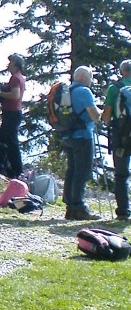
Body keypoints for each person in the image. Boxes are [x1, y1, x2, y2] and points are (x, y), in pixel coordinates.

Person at [62, 66, 102, 221]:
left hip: (68, 135)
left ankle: (70, 207)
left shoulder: (67, 91)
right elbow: (94, 115)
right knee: (83, 171)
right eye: (91, 77)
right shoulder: (84, 92)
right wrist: (101, 113)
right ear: (85, 78)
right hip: (83, 135)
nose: (91, 81)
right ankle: (79, 207)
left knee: (72, 170)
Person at [102, 60, 131, 220]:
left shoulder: (115, 89)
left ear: (122, 72)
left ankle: (123, 212)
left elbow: (106, 117)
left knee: (121, 174)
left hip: (122, 136)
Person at [0, 53, 27, 178]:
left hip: (12, 113)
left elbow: (15, 95)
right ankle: (0, 165)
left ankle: (17, 171)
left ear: (15, 64)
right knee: (3, 139)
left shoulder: (15, 78)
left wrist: (0, 93)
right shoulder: (19, 77)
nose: (8, 64)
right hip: (14, 113)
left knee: (11, 142)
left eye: (11, 62)